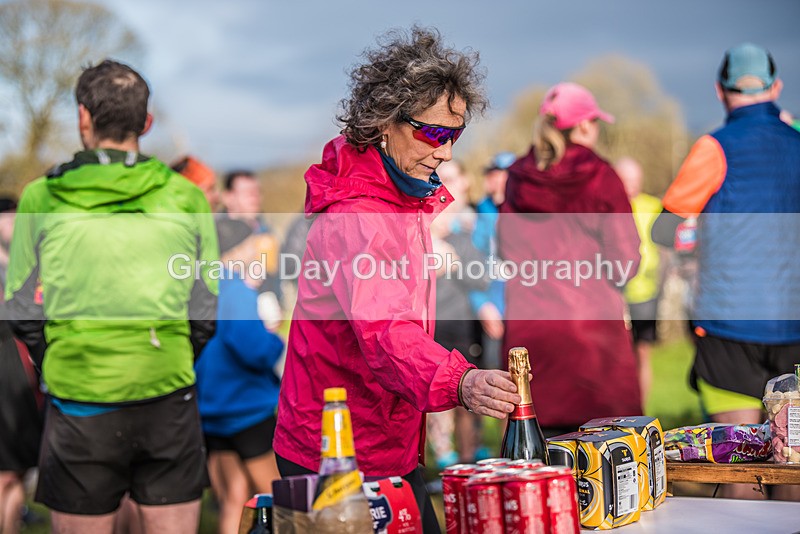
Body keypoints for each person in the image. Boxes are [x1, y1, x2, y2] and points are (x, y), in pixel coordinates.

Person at [273, 27, 521, 532]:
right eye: (434, 133)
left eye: (454, 135)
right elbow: (386, 331)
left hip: (384, 436)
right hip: (336, 450)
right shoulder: (361, 215)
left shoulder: (399, 199)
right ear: (383, 122)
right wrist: (462, 380)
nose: (447, 151)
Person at [4, 60, 219, 533]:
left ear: (84, 118)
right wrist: (171, 355)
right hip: (167, 395)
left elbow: (20, 308)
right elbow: (205, 310)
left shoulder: (42, 196)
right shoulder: (187, 198)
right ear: (146, 122)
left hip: (79, 399)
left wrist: (62, 358)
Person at [652, 43, 800, 500]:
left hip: (729, 326)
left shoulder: (714, 147)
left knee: (740, 470)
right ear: (776, 87)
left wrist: (698, 243)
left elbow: (664, 228)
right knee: (793, 467)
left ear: (720, 91)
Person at [497, 82, 642, 437]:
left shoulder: (517, 178)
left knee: (540, 454)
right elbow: (625, 260)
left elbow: (505, 248)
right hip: (591, 333)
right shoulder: (600, 175)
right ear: (585, 126)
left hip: (532, 331)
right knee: (608, 457)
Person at [196, 218, 284, 534]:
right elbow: (252, 347)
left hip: (211, 409)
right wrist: (274, 339)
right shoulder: (237, 290)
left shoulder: (200, 285)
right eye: (250, 245)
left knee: (234, 497)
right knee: (279, 498)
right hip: (245, 408)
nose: (254, 252)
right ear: (235, 249)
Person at [425, 160, 489, 470]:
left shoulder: (462, 239)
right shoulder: (420, 236)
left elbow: (482, 278)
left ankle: (466, 459)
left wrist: (454, 263)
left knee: (464, 395)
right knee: (428, 398)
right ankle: (438, 458)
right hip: (427, 328)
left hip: (461, 326)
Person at [0, 197, 43, 534]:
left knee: (17, 471)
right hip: (3, 377)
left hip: (22, 378)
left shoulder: (28, 265)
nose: (15, 225)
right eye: (8, 218)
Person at [614, 157, 663, 403]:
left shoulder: (653, 206)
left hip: (645, 293)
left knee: (642, 352)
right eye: (626, 180)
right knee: (618, 355)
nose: (630, 186)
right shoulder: (608, 206)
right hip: (615, 293)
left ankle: (640, 408)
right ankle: (620, 406)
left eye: (634, 180)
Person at [470, 153, 514, 369]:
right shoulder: (480, 212)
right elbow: (470, 264)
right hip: (494, 306)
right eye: (489, 173)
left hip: (526, 308)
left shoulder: (531, 212)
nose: (490, 179)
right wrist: (482, 304)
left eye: (497, 173)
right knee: (494, 373)